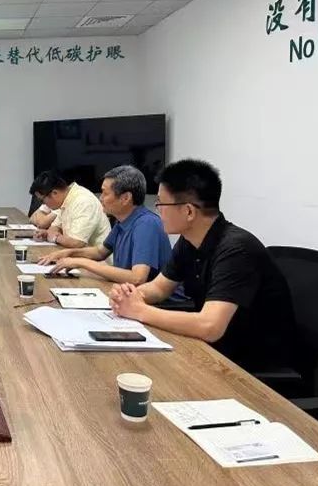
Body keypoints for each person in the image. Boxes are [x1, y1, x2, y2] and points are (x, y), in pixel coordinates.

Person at [109, 159, 296, 372]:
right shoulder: (189, 241)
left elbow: (210, 326)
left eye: (161, 204)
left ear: (189, 211)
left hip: (252, 367)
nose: (158, 210)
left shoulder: (237, 250)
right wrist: (130, 295)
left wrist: (139, 310)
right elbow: (160, 288)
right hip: (213, 351)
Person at [38, 165, 172, 284]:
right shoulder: (122, 221)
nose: (101, 198)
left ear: (125, 198)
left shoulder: (146, 224)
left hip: (157, 302)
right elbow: (99, 252)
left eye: (105, 193)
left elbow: (137, 278)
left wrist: (81, 262)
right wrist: (68, 253)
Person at [30, 170, 111, 248]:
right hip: (76, 253)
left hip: (96, 256)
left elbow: (77, 243)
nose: (43, 204)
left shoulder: (83, 201)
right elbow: (54, 228)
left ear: (54, 193)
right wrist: (47, 234)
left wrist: (55, 237)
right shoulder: (66, 200)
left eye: (42, 200)